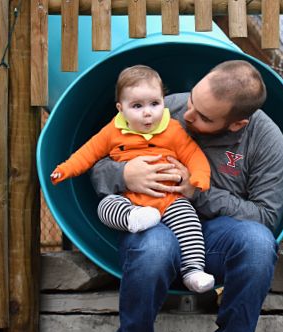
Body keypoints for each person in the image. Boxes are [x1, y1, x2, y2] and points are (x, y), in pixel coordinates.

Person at [92, 60, 283, 332]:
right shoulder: (165, 108)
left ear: (237, 123)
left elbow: (266, 216)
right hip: (154, 226)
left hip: (213, 240)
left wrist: (198, 191)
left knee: (258, 243)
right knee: (154, 248)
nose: (188, 115)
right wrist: (124, 175)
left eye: (204, 117)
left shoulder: (266, 141)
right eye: (193, 101)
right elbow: (98, 166)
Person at [50, 65, 215, 293]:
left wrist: (200, 177)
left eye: (154, 104)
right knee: (106, 207)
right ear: (121, 109)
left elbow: (193, 154)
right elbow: (88, 153)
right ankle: (132, 218)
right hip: (128, 199)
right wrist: (65, 169)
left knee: (189, 222)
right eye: (137, 106)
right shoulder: (112, 131)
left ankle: (193, 271)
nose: (148, 113)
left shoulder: (173, 130)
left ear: (163, 102)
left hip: (167, 198)